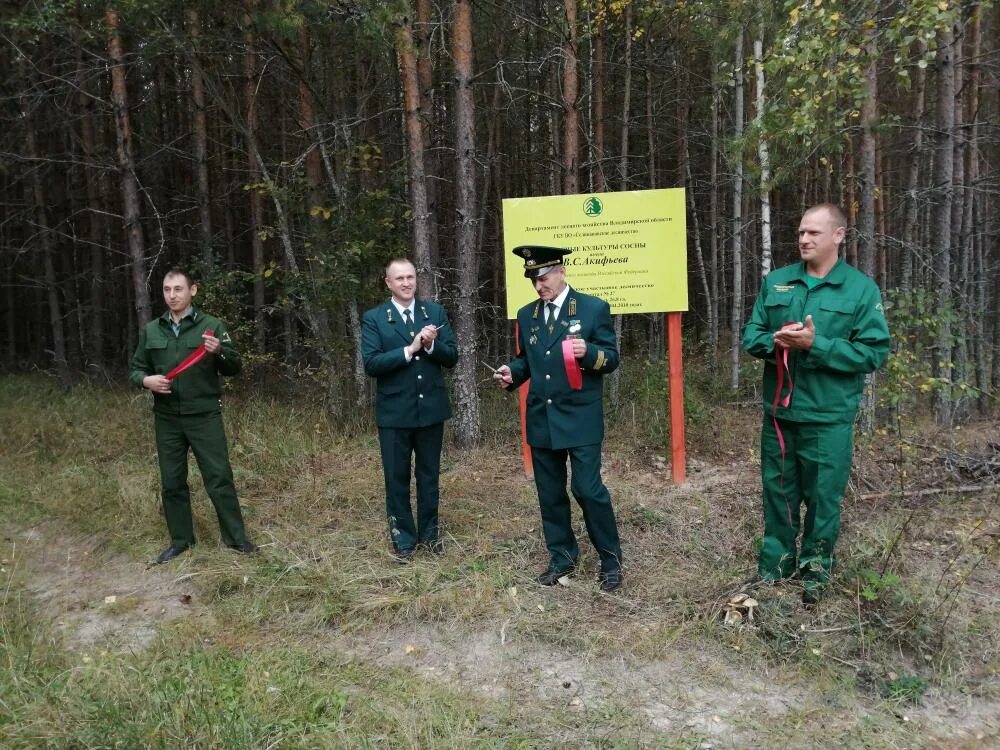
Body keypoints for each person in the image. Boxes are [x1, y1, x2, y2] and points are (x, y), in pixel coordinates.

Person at [742, 203, 890, 604]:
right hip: (780, 415)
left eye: (814, 233)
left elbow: (872, 353)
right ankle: (775, 567)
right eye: (802, 232)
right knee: (779, 492)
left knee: (823, 498)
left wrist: (815, 345)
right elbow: (751, 334)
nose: (804, 239)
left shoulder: (860, 290)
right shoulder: (778, 282)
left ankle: (814, 572)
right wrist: (775, 341)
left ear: (839, 235)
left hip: (828, 417)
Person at [494, 246, 624, 592]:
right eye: (533, 280)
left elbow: (611, 359)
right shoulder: (527, 315)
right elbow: (527, 359)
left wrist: (589, 353)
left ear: (561, 271)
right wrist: (512, 373)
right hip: (542, 417)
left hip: (580, 417)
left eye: (544, 277)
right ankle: (562, 557)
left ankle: (610, 560)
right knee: (549, 493)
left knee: (587, 488)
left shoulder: (592, 308)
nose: (539, 286)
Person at [128, 268, 257, 564]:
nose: (172, 295)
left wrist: (219, 351)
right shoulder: (151, 331)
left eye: (178, 289)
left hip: (205, 416)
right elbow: (136, 368)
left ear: (193, 291)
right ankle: (181, 541)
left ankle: (236, 539)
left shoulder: (212, 326)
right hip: (167, 419)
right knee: (172, 481)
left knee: (219, 477)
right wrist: (146, 381)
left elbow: (234, 367)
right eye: (166, 290)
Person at [361, 258, 458, 561]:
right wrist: (411, 348)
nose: (406, 283)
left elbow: (452, 357)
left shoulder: (434, 313)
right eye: (399, 278)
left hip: (430, 411)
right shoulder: (375, 318)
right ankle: (403, 538)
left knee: (429, 476)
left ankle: (429, 536)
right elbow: (372, 364)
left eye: (411, 277)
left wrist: (431, 346)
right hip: (395, 414)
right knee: (396, 477)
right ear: (388, 283)